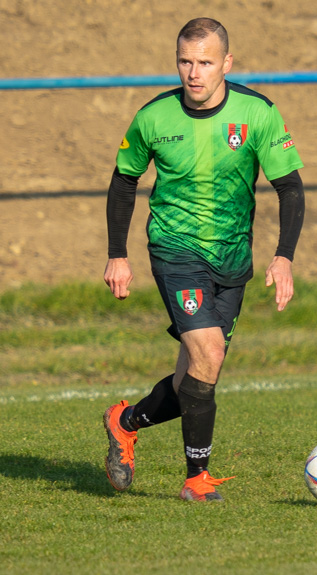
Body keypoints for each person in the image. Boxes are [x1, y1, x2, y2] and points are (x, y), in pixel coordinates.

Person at [102, 17, 305, 502]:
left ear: (226, 63)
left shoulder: (258, 114)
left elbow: (290, 187)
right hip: (175, 252)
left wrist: (284, 257)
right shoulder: (154, 117)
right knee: (208, 351)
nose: (193, 73)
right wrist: (117, 255)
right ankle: (197, 481)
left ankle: (125, 422)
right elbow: (123, 181)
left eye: (205, 62)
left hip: (232, 260)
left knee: (197, 375)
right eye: (185, 62)